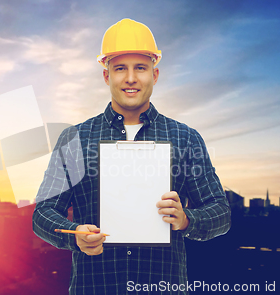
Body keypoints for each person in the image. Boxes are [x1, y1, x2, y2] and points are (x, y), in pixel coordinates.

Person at [32, 18, 231, 295]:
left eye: (140, 68)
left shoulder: (185, 139)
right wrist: (75, 234)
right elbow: (42, 214)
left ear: (155, 74)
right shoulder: (75, 139)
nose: (130, 78)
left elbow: (220, 212)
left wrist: (186, 220)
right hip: (95, 287)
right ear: (106, 76)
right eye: (120, 68)